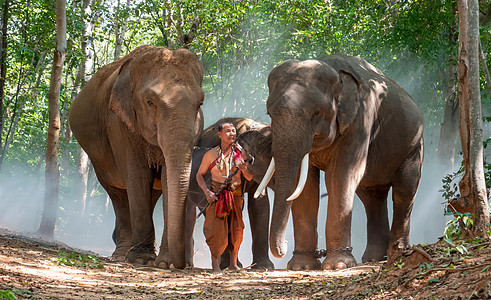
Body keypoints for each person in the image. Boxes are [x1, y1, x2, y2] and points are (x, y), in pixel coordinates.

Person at [196, 122, 253, 273]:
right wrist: (207, 192)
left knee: (236, 229)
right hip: (217, 195)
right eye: (228, 131)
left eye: (234, 131)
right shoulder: (211, 154)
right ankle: (216, 267)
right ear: (220, 135)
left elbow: (249, 177)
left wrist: (244, 168)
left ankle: (233, 265)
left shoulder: (241, 153)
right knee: (215, 230)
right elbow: (199, 175)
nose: (232, 134)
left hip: (235, 195)